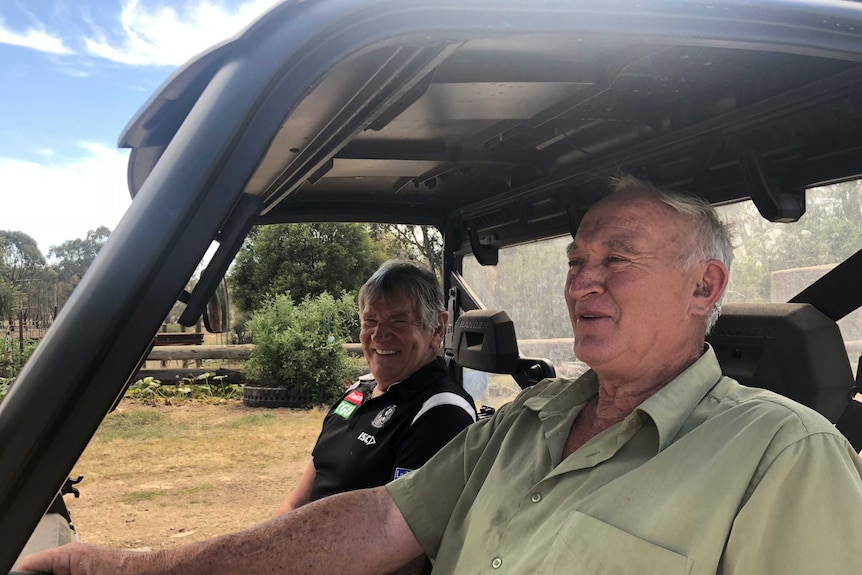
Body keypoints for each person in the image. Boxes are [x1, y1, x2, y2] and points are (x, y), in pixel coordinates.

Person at [21, 175, 862, 575]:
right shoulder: (523, 420)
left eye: (618, 258)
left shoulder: (785, 456)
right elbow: (379, 522)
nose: (581, 281)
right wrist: (121, 566)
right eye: (575, 260)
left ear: (704, 287)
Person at [274, 260, 476, 573]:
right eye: (370, 320)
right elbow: (302, 495)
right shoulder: (358, 391)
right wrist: (269, 546)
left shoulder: (442, 412)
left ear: (437, 327)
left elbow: (405, 556)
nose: (379, 335)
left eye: (398, 320)